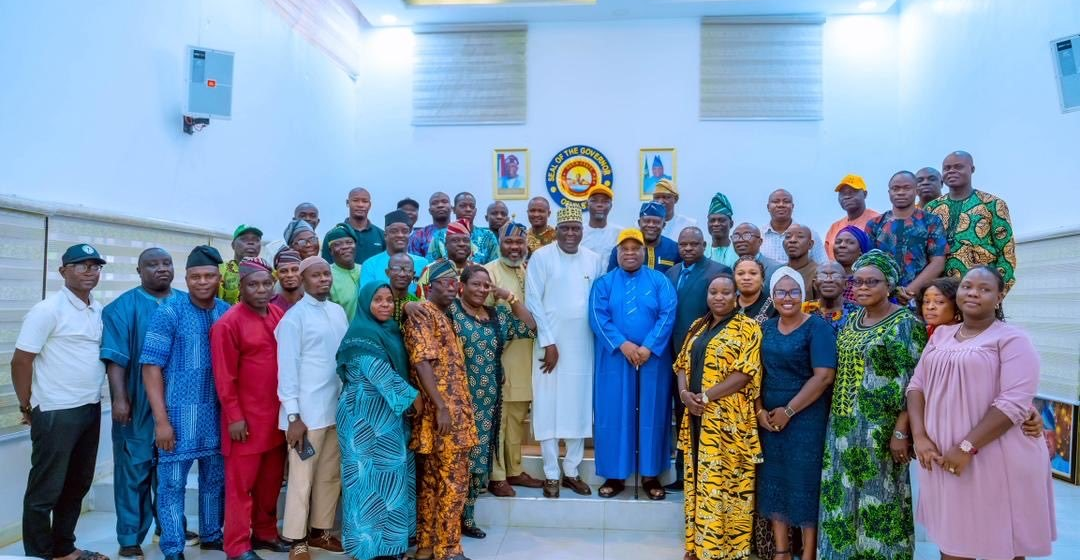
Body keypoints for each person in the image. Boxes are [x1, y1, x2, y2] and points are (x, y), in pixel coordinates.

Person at [907, 266, 1056, 560]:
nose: (973, 292)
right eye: (967, 286)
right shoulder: (941, 336)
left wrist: (965, 447)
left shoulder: (1013, 340)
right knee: (953, 543)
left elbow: (1013, 402)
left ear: (999, 297)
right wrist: (920, 436)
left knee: (1003, 544)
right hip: (944, 457)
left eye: (984, 289)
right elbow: (916, 385)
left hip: (996, 457)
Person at [818, 250, 926, 560]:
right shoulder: (853, 319)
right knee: (841, 499)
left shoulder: (905, 323)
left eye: (872, 282)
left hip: (880, 431)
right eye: (858, 282)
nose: (862, 287)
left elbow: (915, 383)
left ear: (889, 284)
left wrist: (901, 431)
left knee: (879, 501)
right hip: (841, 426)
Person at [14, 244, 109, 560]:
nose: (89, 271)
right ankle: (38, 555)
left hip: (89, 407)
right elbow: (21, 361)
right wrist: (27, 406)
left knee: (78, 483)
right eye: (81, 265)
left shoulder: (97, 309)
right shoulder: (47, 310)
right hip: (55, 410)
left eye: (95, 266)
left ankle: (63, 549)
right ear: (63, 271)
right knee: (46, 490)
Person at [141, 245, 230, 560]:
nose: (202, 282)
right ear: (186, 278)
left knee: (214, 480)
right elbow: (150, 367)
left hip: (217, 414)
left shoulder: (225, 311)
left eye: (208, 276)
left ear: (219, 277)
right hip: (178, 417)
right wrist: (161, 421)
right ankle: (172, 547)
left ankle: (211, 535)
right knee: (172, 485)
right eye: (195, 277)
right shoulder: (169, 311)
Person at [101, 248, 183, 559]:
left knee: (171, 471)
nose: (161, 269)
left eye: (166, 263)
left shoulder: (186, 303)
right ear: (139, 271)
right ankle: (130, 537)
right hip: (135, 404)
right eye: (152, 265)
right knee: (133, 471)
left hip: (177, 403)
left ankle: (170, 526)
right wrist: (120, 398)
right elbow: (115, 359)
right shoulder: (122, 308)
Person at [674, 274, 763, 560]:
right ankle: (697, 545)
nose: (719, 297)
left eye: (726, 292)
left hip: (728, 419)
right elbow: (681, 365)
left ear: (737, 295)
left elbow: (745, 372)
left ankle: (726, 549)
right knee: (699, 478)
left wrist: (706, 396)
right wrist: (686, 395)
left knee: (728, 483)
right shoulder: (697, 326)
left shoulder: (748, 328)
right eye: (714, 292)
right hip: (697, 415)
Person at [755, 268, 838, 560]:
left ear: (803, 295)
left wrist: (789, 411)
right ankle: (781, 550)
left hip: (806, 416)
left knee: (805, 482)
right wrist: (760, 411)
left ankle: (809, 553)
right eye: (780, 291)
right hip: (770, 419)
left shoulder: (817, 327)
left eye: (793, 292)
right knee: (774, 480)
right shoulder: (765, 328)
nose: (787, 298)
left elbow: (824, 376)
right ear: (772, 295)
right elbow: (756, 375)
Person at [210, 258, 290, 560]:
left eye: (266, 283)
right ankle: (238, 546)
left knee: (270, 484)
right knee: (240, 488)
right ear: (240, 287)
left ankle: (266, 533)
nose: (261, 290)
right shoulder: (227, 324)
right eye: (253, 285)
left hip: (276, 418)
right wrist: (234, 417)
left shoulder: (278, 314)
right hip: (244, 423)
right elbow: (224, 376)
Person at [590, 229, 677, 500]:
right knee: (613, 414)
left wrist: (648, 346)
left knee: (652, 414)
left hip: (652, 360)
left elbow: (668, 313)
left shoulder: (660, 281)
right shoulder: (603, 283)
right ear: (617, 252)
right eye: (624, 248)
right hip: (615, 360)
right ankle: (615, 475)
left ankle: (651, 475)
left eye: (635, 248)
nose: (630, 253)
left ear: (644, 252)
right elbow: (597, 316)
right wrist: (624, 345)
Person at [337, 281, 422, 560]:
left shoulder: (390, 330)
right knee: (365, 482)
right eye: (378, 300)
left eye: (388, 300)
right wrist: (414, 398)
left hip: (387, 418)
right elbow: (379, 373)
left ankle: (391, 546)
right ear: (365, 304)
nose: (384, 305)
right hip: (363, 419)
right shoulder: (362, 333)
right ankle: (367, 547)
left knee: (390, 480)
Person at [525, 206, 606, 498]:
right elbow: (533, 300)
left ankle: (571, 471)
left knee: (577, 406)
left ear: (582, 231)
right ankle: (550, 473)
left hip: (583, 346)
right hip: (549, 347)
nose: (571, 233)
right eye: (565, 228)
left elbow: (599, 302)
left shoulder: (594, 260)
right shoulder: (541, 257)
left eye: (575, 228)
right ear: (555, 230)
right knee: (548, 406)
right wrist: (548, 342)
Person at [450, 265, 536, 538]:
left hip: (489, 402)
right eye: (475, 284)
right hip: (457, 400)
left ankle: (468, 517)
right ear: (462, 286)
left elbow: (530, 327)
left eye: (486, 286)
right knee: (455, 462)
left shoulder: (497, 316)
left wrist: (510, 298)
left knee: (478, 461)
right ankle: (446, 520)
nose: (481, 290)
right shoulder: (451, 312)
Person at [402, 259, 479, 560]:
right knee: (452, 481)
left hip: (448, 415)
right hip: (445, 417)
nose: (452, 286)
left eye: (454, 281)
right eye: (445, 281)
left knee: (433, 482)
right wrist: (442, 407)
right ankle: (448, 549)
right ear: (429, 285)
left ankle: (427, 545)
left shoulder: (443, 315)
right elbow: (421, 361)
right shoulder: (423, 313)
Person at [275, 256, 348, 559]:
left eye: (326, 274)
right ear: (303, 281)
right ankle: (296, 540)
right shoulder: (294, 318)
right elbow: (287, 370)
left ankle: (320, 531)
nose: (323, 279)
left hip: (335, 409)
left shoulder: (337, 311)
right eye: (316, 276)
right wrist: (293, 416)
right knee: (301, 479)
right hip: (305, 415)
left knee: (330, 475)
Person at [664, 227, 730, 491]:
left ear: (704, 245)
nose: (688, 248)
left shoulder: (718, 272)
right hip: (672, 356)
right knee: (681, 415)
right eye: (683, 244)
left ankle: (705, 474)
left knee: (702, 414)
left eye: (694, 244)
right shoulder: (671, 273)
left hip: (704, 356)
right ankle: (683, 473)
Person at [484, 223, 545, 497]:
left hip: (526, 357)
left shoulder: (526, 270)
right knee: (500, 419)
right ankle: (496, 476)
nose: (514, 247)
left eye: (519, 243)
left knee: (517, 419)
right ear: (500, 242)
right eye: (508, 242)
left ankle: (514, 469)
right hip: (501, 358)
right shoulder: (489, 272)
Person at [924, 151, 1017, 292]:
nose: (951, 171)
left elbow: (1007, 254)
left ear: (972, 169)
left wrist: (995, 294)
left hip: (978, 291)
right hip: (941, 294)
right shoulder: (931, 209)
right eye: (947, 168)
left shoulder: (993, 204)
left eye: (958, 167)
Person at [866, 170, 947, 305]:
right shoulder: (875, 224)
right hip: (882, 299)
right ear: (889, 192)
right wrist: (886, 291)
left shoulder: (931, 222)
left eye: (907, 188)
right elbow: (869, 263)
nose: (900, 192)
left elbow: (938, 263)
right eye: (895, 188)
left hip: (920, 298)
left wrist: (909, 291)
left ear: (916, 191)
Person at [361, 210, 429, 294]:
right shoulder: (370, 265)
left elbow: (427, 295)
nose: (400, 235)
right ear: (385, 235)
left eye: (404, 231)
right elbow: (366, 296)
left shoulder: (423, 263)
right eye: (394, 231)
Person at [607, 201, 680, 273]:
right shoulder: (621, 250)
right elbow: (610, 279)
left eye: (656, 222)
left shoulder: (674, 249)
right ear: (639, 223)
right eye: (646, 221)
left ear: (663, 225)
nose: (651, 225)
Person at [320, 187, 386, 265]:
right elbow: (327, 266)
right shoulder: (333, 235)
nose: (360, 205)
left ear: (370, 205)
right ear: (347, 203)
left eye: (365, 201)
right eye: (355, 200)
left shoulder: (381, 235)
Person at [429, 192, 499, 265]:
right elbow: (431, 266)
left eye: (472, 206)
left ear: (475, 211)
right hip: (447, 276)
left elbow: (495, 266)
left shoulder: (488, 236)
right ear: (454, 209)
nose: (468, 209)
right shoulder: (440, 236)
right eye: (463, 206)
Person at [760, 189, 827, 265]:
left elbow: (823, 265)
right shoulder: (758, 236)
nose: (781, 205)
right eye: (776, 201)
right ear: (768, 207)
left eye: (786, 202)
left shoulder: (811, 235)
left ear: (792, 206)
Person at [824, 174, 880, 259]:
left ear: (865, 194)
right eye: (842, 193)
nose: (847, 196)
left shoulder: (878, 222)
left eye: (852, 192)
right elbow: (826, 259)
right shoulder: (834, 227)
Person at [416, 218, 473, 299]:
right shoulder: (431, 269)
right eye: (455, 240)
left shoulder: (479, 270)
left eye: (466, 240)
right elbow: (422, 301)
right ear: (446, 245)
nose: (461, 244)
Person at [802, 261, 858, 333]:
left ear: (846, 284)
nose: (828, 280)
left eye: (835, 276)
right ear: (814, 284)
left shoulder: (857, 312)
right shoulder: (804, 310)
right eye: (822, 276)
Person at [220, 225, 263, 305]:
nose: (251, 242)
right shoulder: (221, 271)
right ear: (233, 245)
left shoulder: (268, 272)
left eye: (256, 240)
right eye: (244, 239)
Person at [325, 225, 361, 321]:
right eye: (337, 244)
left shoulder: (365, 269)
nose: (345, 247)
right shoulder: (326, 275)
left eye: (349, 242)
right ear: (330, 251)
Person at [581, 184, 622, 258]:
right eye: (594, 201)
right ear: (587, 204)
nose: (599, 204)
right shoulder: (579, 233)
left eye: (605, 201)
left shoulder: (619, 233)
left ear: (611, 206)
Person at [734, 256, 777, 324]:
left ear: (762, 279)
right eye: (740, 273)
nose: (746, 278)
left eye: (753, 273)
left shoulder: (775, 306)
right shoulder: (727, 304)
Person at [409, 192, 453, 258]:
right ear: (430, 211)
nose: (440, 205)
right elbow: (415, 263)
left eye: (444, 202)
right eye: (434, 203)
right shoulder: (418, 235)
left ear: (451, 208)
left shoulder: (462, 231)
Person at [833, 225, 870, 304]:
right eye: (838, 242)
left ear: (861, 250)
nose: (842, 245)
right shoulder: (826, 278)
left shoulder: (868, 280)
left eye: (850, 242)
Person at [782, 224, 819, 301]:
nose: (792, 240)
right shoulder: (778, 271)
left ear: (810, 244)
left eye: (800, 237)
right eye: (788, 237)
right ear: (783, 244)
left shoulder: (819, 273)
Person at [387, 252, 421, 323]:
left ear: (413, 275)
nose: (402, 274)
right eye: (396, 269)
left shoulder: (418, 304)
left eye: (407, 270)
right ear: (387, 272)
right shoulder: (379, 301)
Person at [705, 192, 738, 267]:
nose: (716, 224)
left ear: (731, 224)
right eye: (712, 220)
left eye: (721, 220)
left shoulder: (738, 251)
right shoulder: (702, 251)